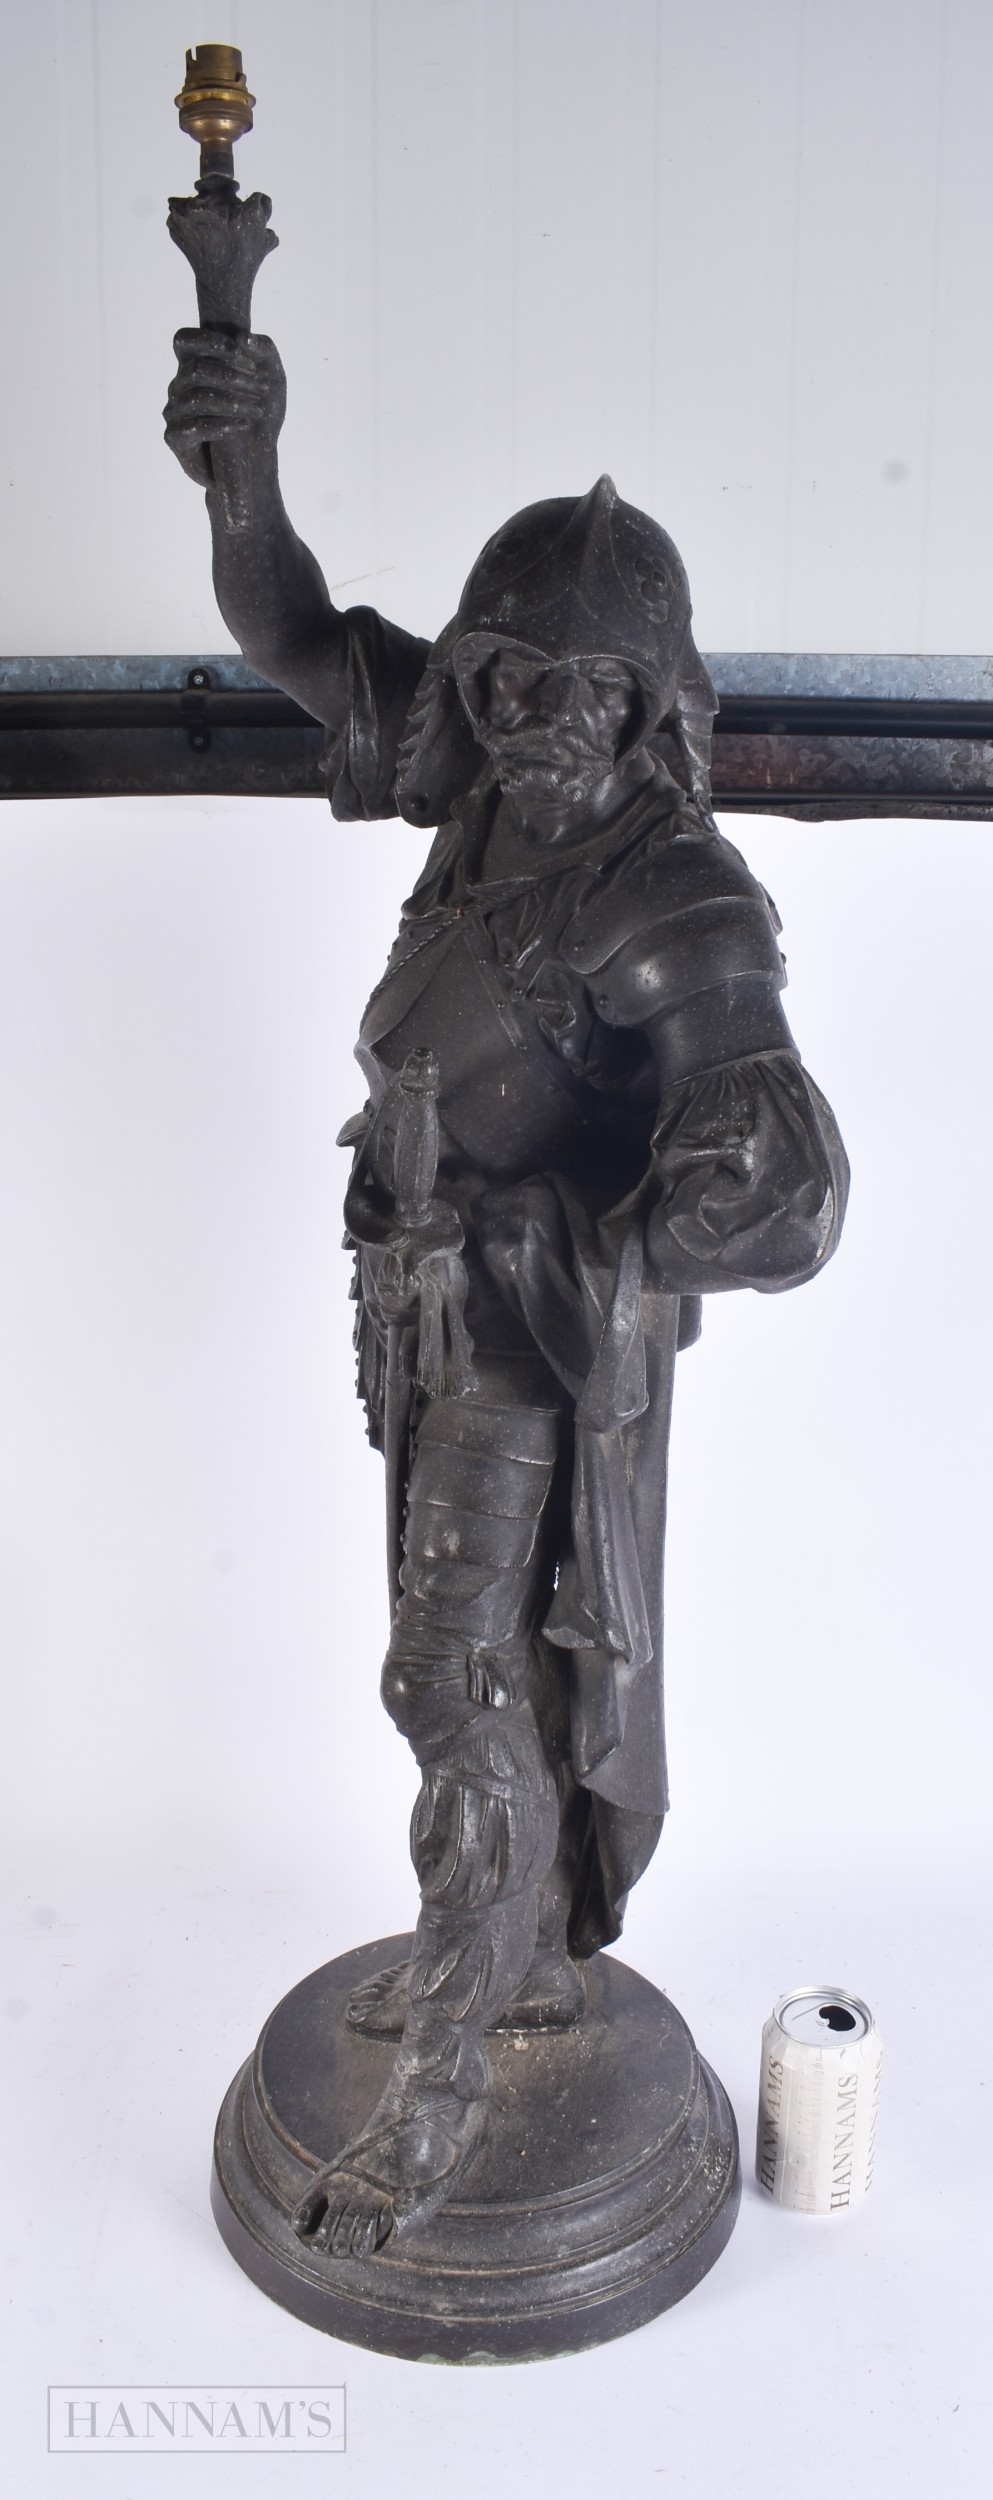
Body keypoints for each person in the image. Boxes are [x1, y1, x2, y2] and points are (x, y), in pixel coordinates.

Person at [165, 329, 849, 2258]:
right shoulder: (473, 789)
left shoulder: (668, 890)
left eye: (593, 688)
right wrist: (242, 464)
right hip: (417, 1317)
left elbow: (786, 1184)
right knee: (479, 1683)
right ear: (475, 677)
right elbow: (289, 629)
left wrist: (633, 1221)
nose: (546, 716)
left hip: (527, 1341)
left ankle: (442, 2099)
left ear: (653, 707)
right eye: (514, 676)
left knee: (451, 1675)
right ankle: (516, 1949)